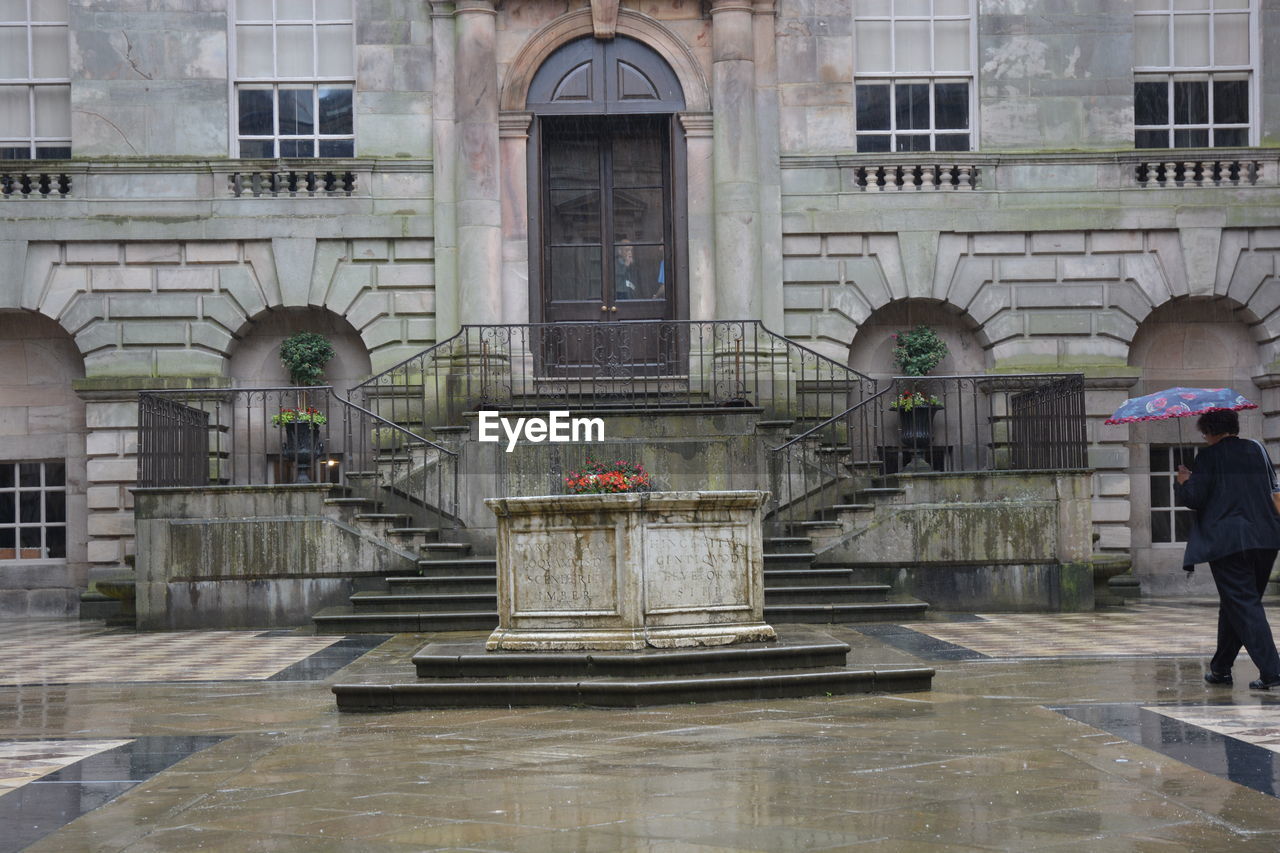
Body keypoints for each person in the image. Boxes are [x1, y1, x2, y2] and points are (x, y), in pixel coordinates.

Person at [1175, 408, 1280, 690]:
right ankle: (1221, 668)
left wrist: (1184, 481)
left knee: (1244, 605)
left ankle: (1273, 671)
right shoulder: (1257, 450)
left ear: (1209, 431)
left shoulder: (1208, 456)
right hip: (1265, 539)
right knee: (1237, 604)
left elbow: (1195, 499)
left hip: (1227, 543)